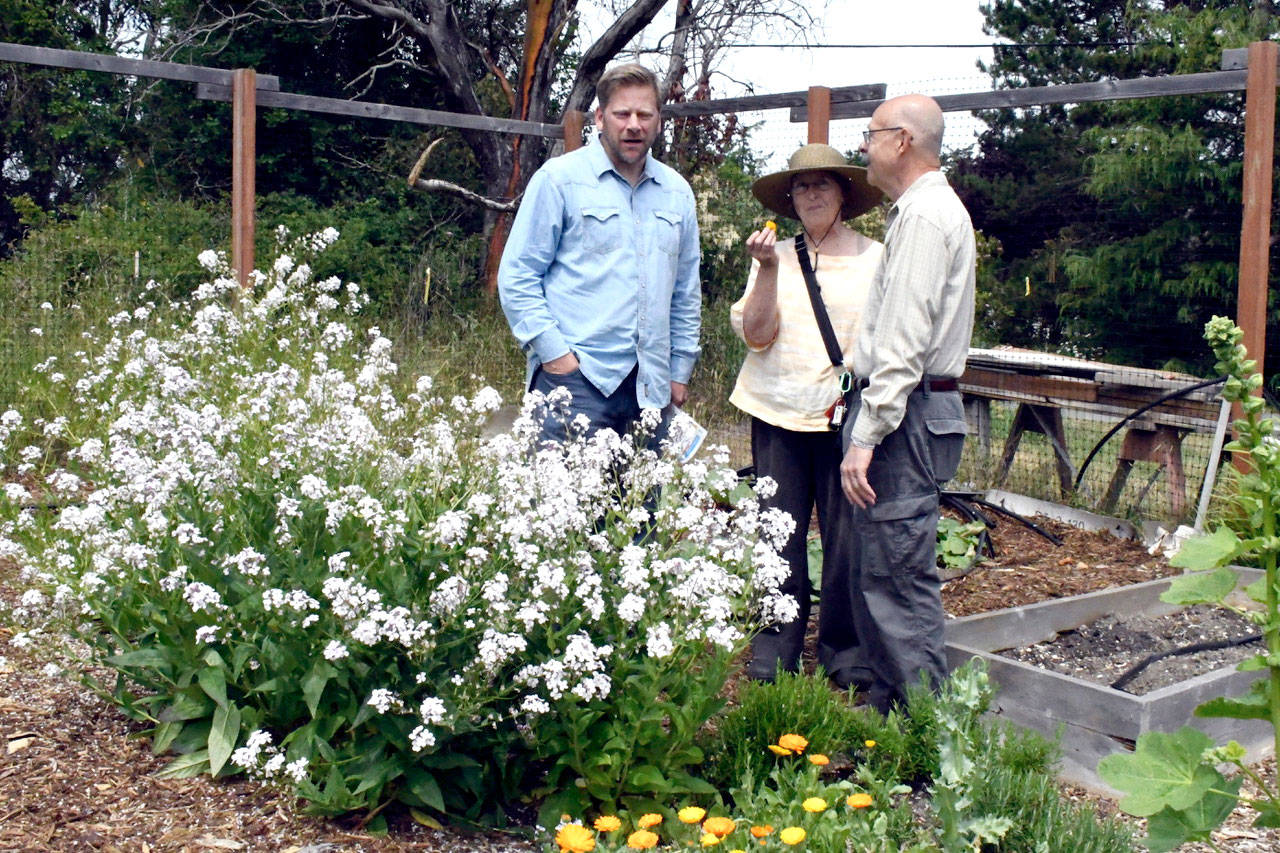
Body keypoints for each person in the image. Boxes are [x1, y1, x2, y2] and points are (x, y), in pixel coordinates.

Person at [837, 94, 975, 713]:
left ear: (901, 142)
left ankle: (924, 729)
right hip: (915, 411)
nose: (862, 145)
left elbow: (904, 343)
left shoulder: (923, 217)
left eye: (869, 135)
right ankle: (893, 711)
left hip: (906, 416)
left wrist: (867, 434)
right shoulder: (922, 212)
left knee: (896, 574)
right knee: (883, 568)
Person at [730, 143, 884, 682]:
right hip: (777, 412)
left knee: (847, 541)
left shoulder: (875, 258)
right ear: (790, 199)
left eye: (822, 184)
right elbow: (756, 335)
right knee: (778, 534)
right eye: (801, 186)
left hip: (845, 417)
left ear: (843, 193)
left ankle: (844, 655)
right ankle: (775, 651)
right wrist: (767, 270)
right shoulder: (774, 256)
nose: (812, 193)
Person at [498, 63, 701, 444]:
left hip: (651, 389)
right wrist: (556, 357)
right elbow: (517, 276)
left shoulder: (677, 194)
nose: (634, 125)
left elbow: (685, 291)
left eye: (645, 114)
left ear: (659, 121)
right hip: (576, 382)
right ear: (600, 117)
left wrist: (679, 370)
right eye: (622, 114)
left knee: (640, 504)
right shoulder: (559, 180)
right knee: (565, 503)